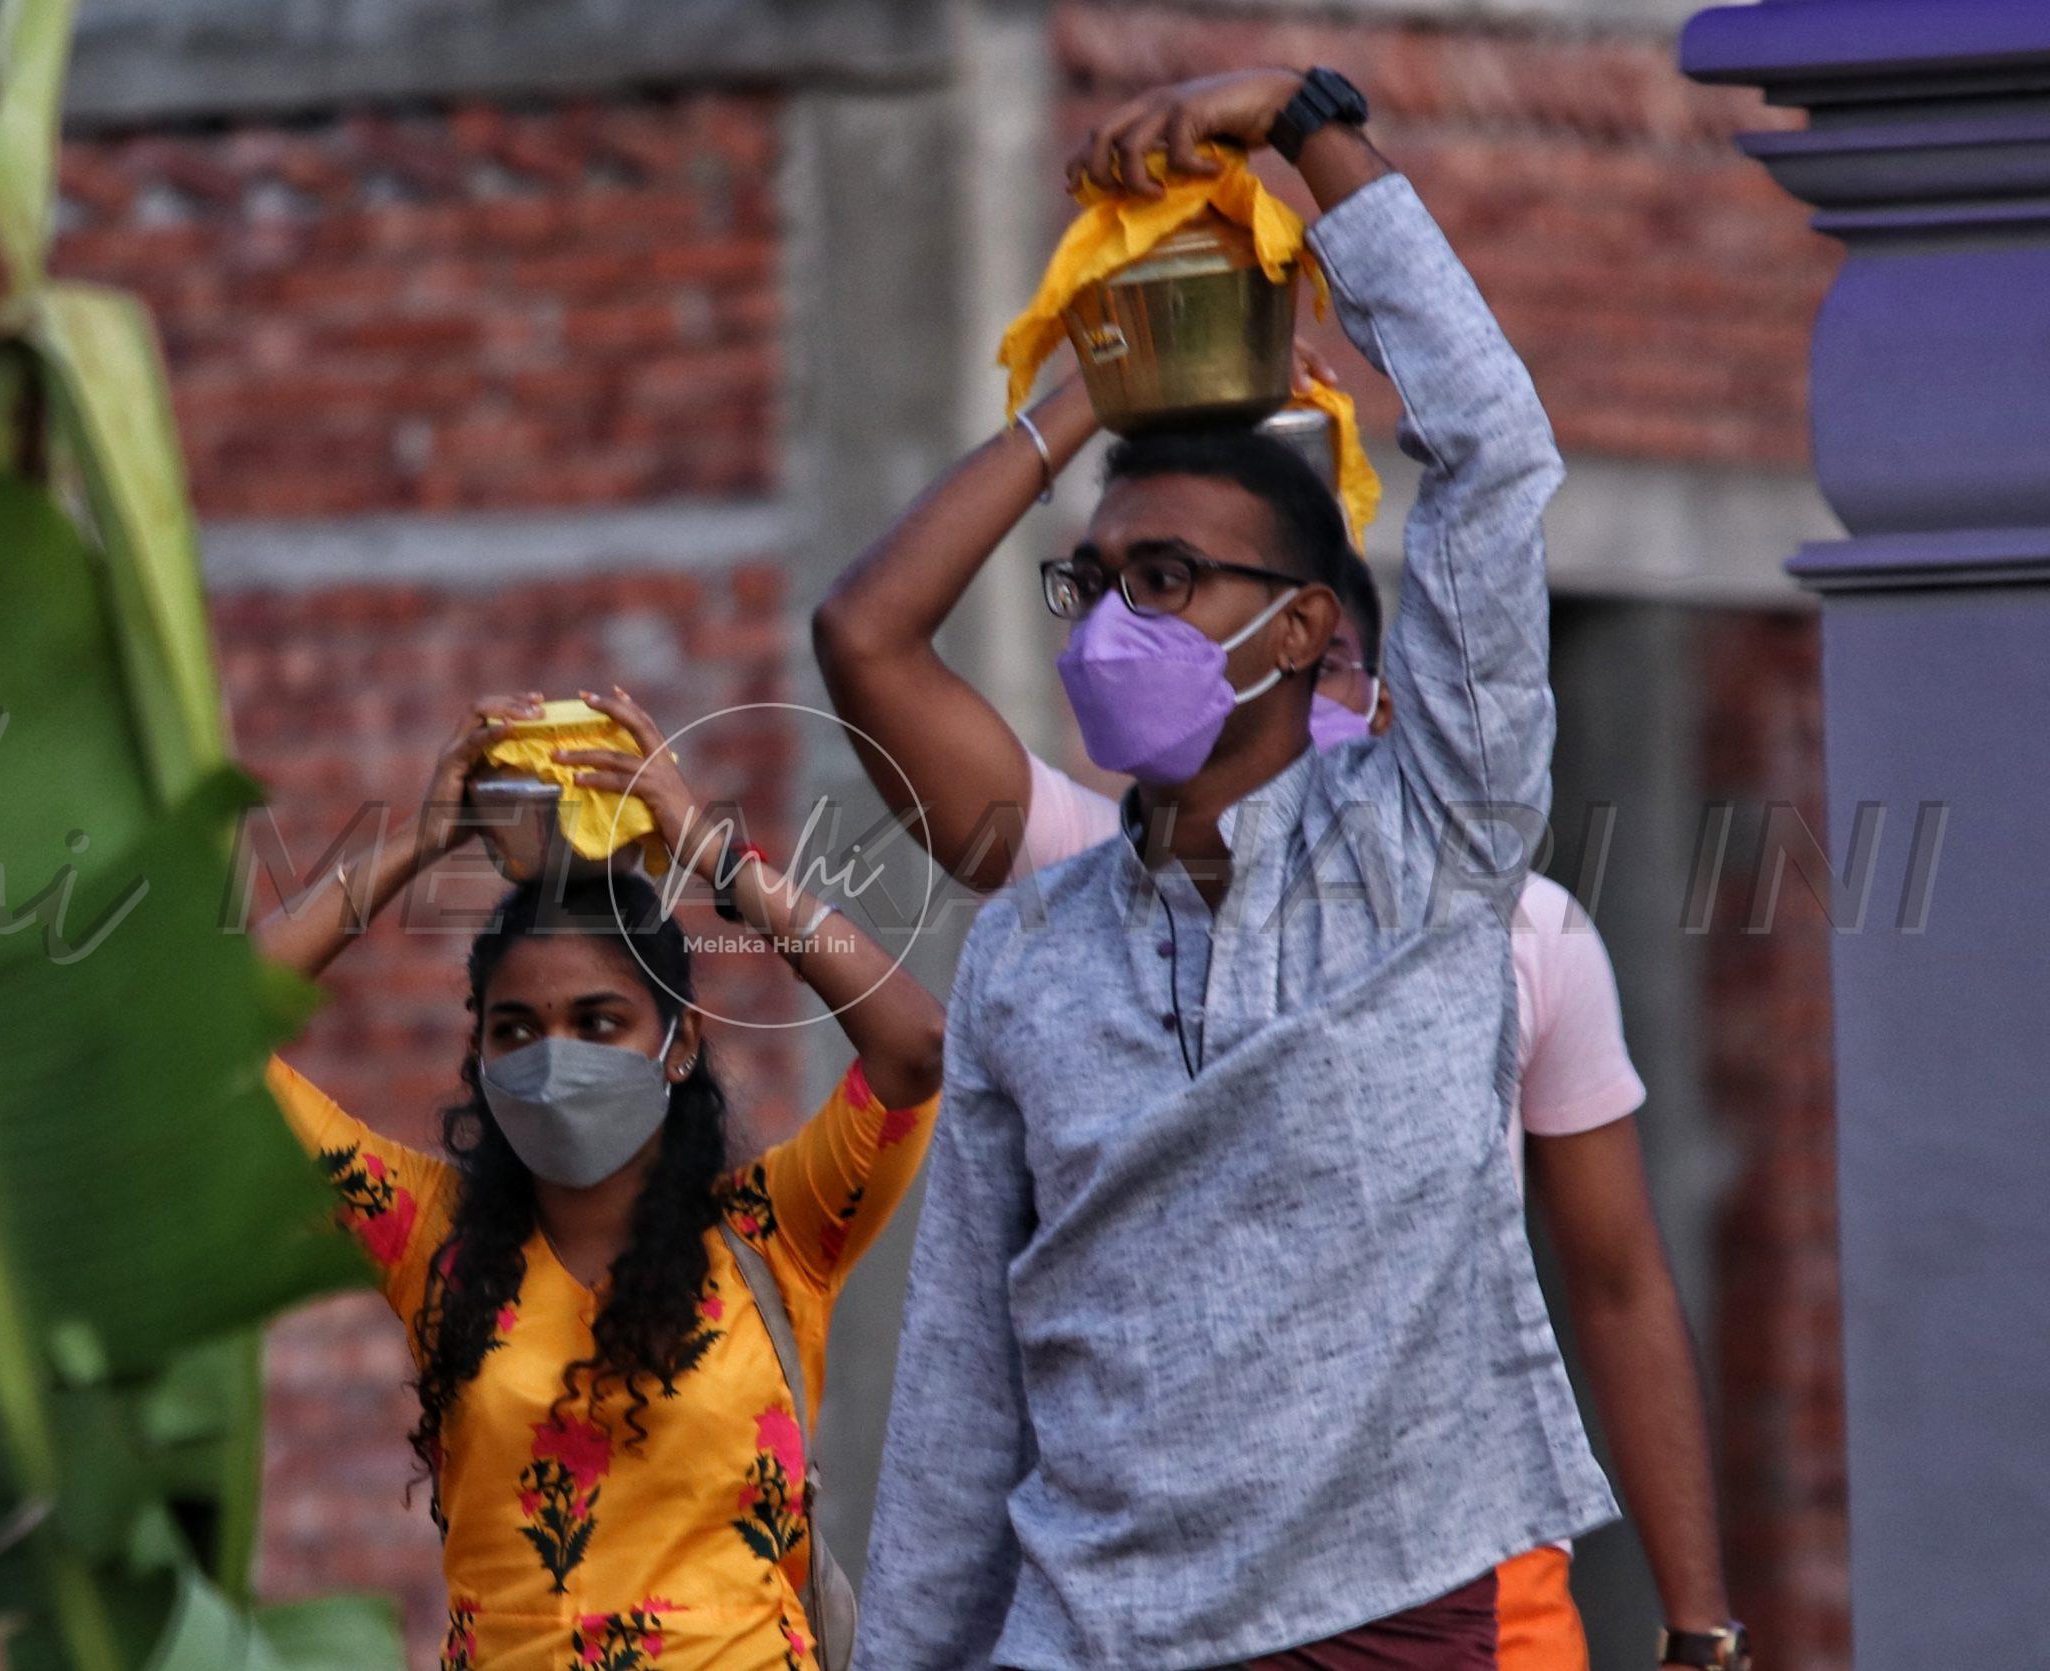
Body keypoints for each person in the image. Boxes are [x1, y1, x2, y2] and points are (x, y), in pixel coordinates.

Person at [834, 69, 1745, 1670]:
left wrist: (1311, 129)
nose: (1114, 622)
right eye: (1097, 580)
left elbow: (1494, 449)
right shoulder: (1038, 940)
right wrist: (1088, 390)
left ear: (1310, 626)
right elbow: (966, 1381)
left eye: (1170, 578)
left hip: (1397, 1609)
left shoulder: (1445, 854)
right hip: (1091, 1629)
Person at [254, 687, 944, 1670]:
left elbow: (913, 1044)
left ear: (677, 1044)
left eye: (599, 1022)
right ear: (480, 1056)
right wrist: (419, 840)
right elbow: (215, 1044)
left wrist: (710, 852)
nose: (554, 1054)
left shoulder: (769, 1231)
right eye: (516, 1031)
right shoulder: (430, 1239)